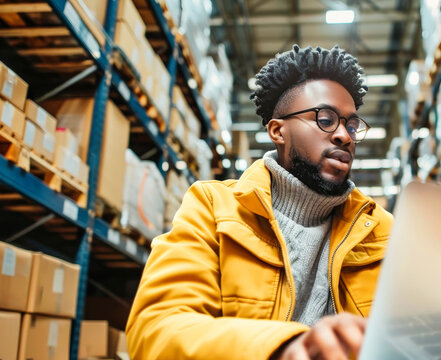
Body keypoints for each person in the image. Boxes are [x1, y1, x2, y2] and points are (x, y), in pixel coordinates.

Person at [126, 45, 393, 360]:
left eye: (351, 125)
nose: (344, 136)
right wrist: (283, 346)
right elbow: (157, 328)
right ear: (278, 131)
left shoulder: (384, 230)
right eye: (326, 119)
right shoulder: (214, 206)